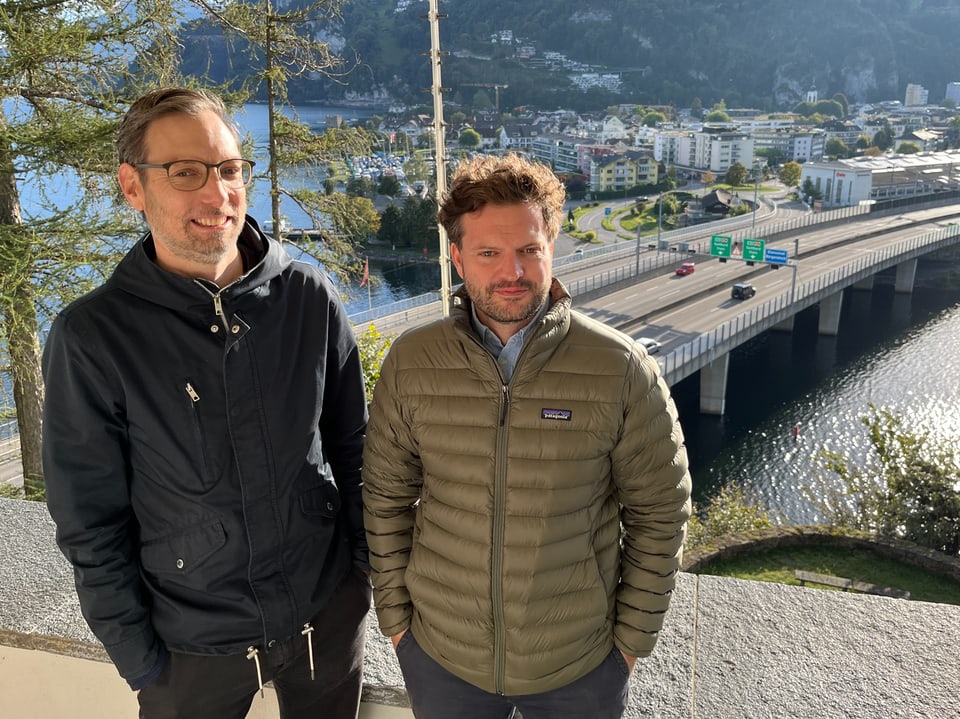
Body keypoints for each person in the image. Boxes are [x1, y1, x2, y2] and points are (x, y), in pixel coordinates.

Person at [42, 87, 371, 719]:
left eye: (228, 169)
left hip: (322, 624)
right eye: (185, 173)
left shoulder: (307, 297)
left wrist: (358, 581)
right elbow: (89, 519)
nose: (216, 194)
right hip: (190, 650)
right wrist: (141, 662)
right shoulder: (95, 336)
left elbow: (356, 450)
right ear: (133, 187)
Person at [362, 153, 692, 719]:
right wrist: (398, 626)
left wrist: (629, 647)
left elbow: (661, 512)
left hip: (580, 668)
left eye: (528, 250)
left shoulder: (620, 367)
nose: (511, 272)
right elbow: (385, 500)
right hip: (442, 660)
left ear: (551, 250)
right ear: (458, 257)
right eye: (489, 253)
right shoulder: (413, 362)